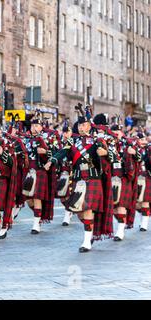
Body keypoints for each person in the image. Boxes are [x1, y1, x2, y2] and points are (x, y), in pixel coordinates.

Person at [45, 107, 113, 253]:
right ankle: (90, 229)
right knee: (79, 211)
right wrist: (52, 160)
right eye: (80, 125)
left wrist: (104, 153)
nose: (82, 128)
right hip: (77, 179)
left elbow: (108, 157)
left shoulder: (97, 140)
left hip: (93, 179)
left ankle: (86, 241)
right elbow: (63, 151)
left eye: (84, 125)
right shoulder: (73, 140)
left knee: (87, 209)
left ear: (90, 125)